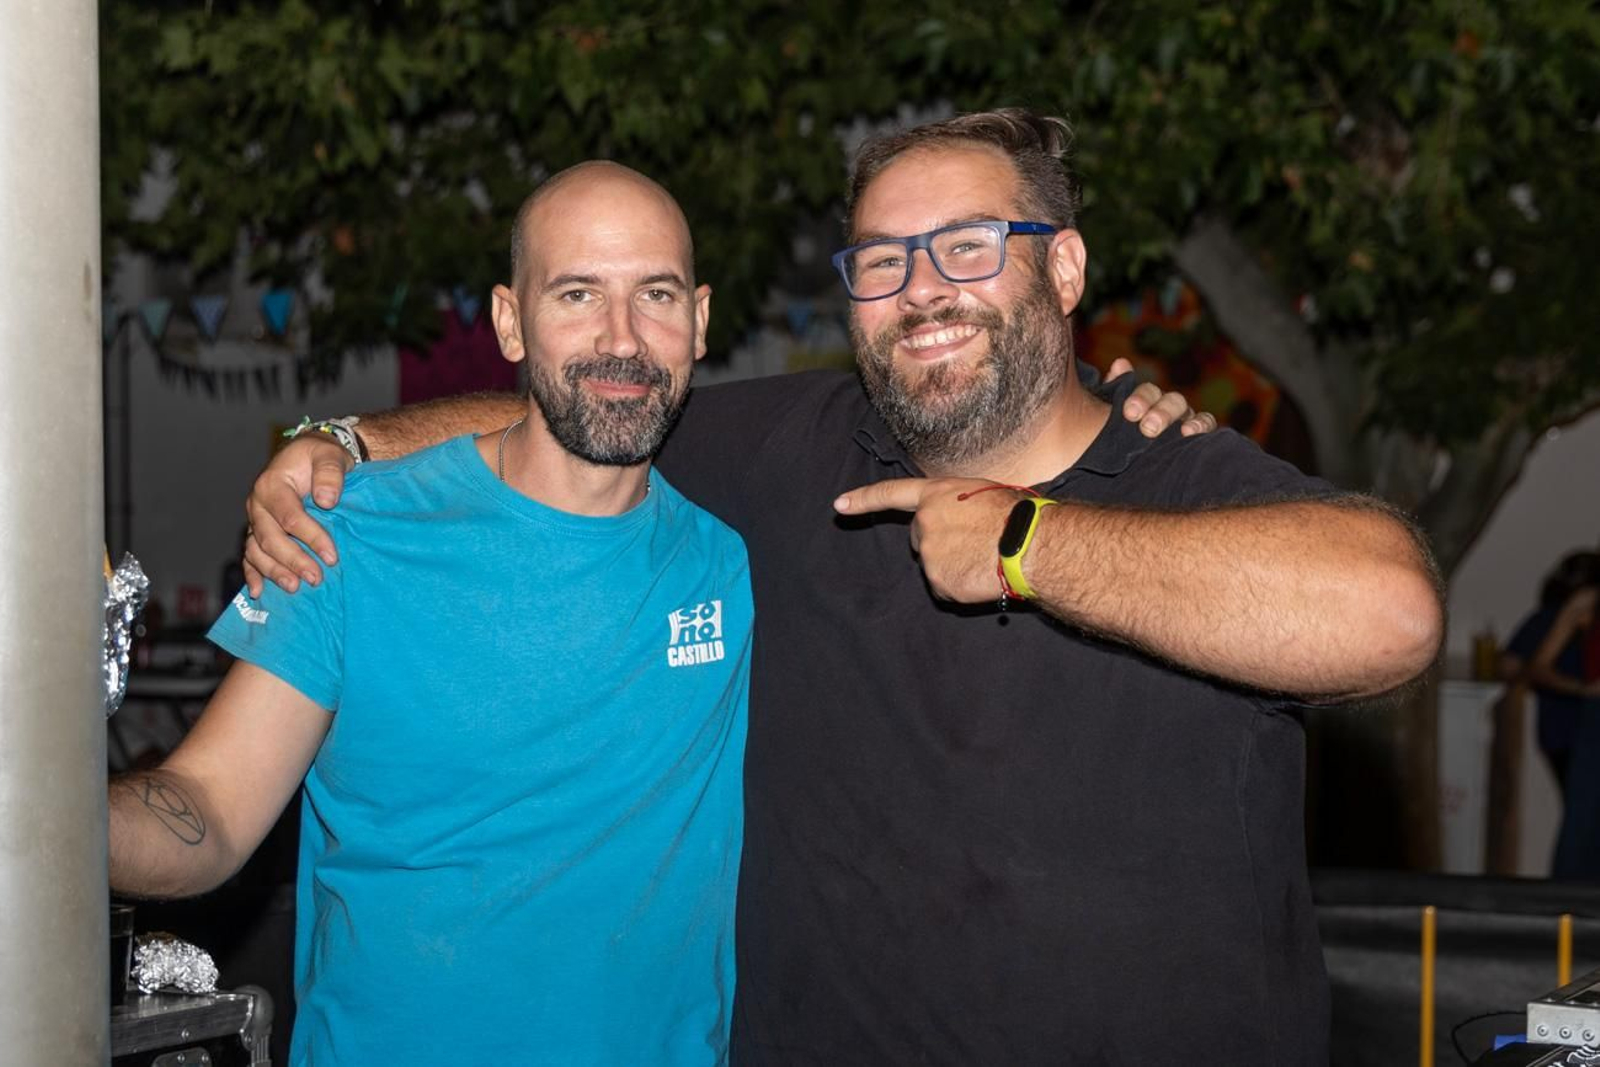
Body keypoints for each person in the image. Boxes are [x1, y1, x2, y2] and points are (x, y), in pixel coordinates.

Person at [245, 110, 1443, 1064]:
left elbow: (1390, 613)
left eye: (970, 246)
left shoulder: (1176, 473)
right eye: (882, 260)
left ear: (1064, 267)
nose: (923, 289)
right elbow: (573, 411)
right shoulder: (797, 452)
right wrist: (341, 438)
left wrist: (1029, 540)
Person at [110, 163, 757, 1064]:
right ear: (508, 321)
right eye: (577, 293)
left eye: (656, 292)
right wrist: (40, 816)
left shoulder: (730, 557)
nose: (623, 336)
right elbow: (210, 810)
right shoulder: (350, 533)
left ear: (699, 319)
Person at [1503, 550, 1600, 877]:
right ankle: (1569, 919)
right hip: (1588, 727)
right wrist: (1582, 689)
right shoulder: (1586, 602)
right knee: (1583, 831)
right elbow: (1534, 666)